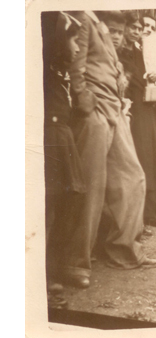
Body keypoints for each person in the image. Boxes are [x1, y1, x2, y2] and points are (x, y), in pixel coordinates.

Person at [65, 10, 156, 288]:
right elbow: (74, 67)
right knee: (92, 187)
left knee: (133, 178)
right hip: (95, 115)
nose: (118, 35)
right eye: (115, 30)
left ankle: (123, 250)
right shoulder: (84, 18)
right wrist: (86, 106)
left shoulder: (102, 27)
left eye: (121, 31)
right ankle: (74, 263)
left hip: (114, 113)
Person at [42, 11, 86, 304]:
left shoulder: (61, 74)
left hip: (64, 139)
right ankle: (42, 276)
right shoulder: (43, 72)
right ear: (58, 41)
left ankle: (54, 268)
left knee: (70, 203)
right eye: (73, 40)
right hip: (50, 139)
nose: (78, 47)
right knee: (48, 204)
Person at [117, 12, 156, 230]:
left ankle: (148, 212)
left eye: (148, 28)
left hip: (149, 108)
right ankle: (135, 218)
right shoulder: (125, 51)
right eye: (139, 26)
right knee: (137, 158)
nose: (143, 30)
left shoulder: (150, 53)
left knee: (150, 159)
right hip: (133, 106)